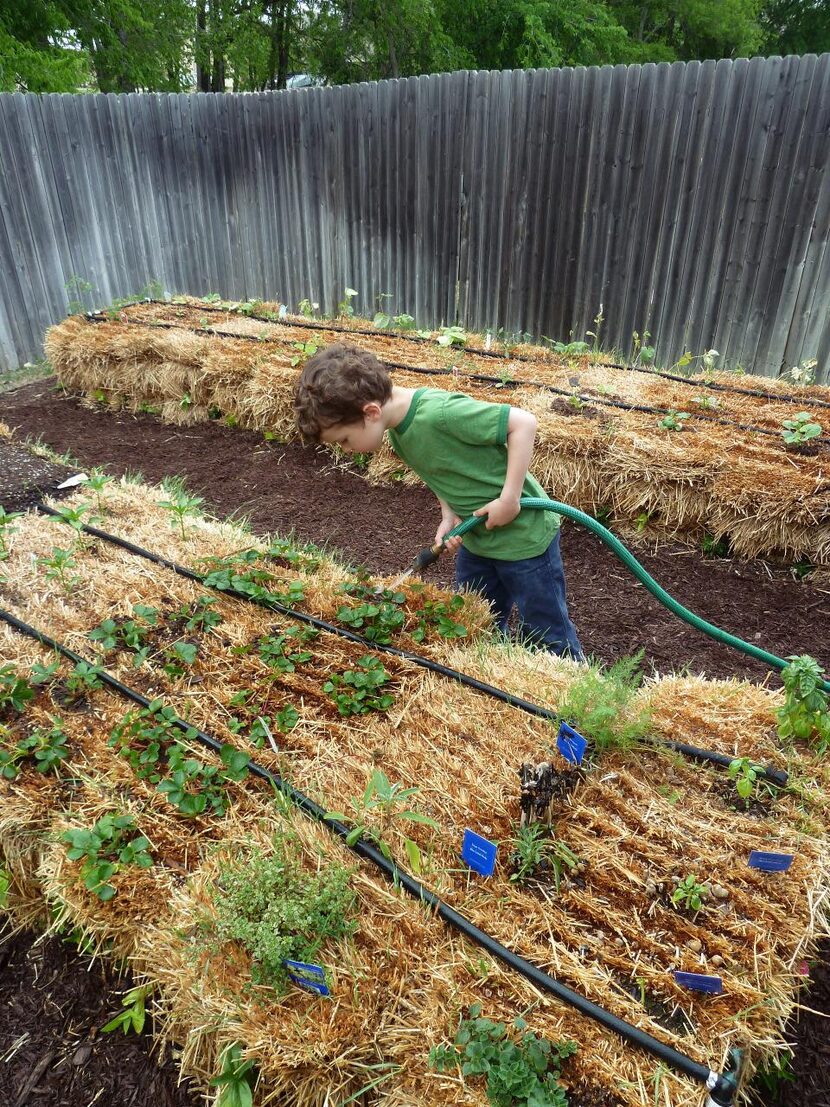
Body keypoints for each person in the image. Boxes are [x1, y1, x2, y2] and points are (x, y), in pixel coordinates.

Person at [293, 342, 583, 658]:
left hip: (524, 538)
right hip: (478, 539)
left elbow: (523, 423)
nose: (347, 449)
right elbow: (439, 470)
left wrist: (510, 499)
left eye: (345, 440)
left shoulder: (439, 414)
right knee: (475, 620)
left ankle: (568, 690)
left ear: (371, 412)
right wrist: (449, 514)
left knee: (546, 632)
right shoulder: (398, 431)